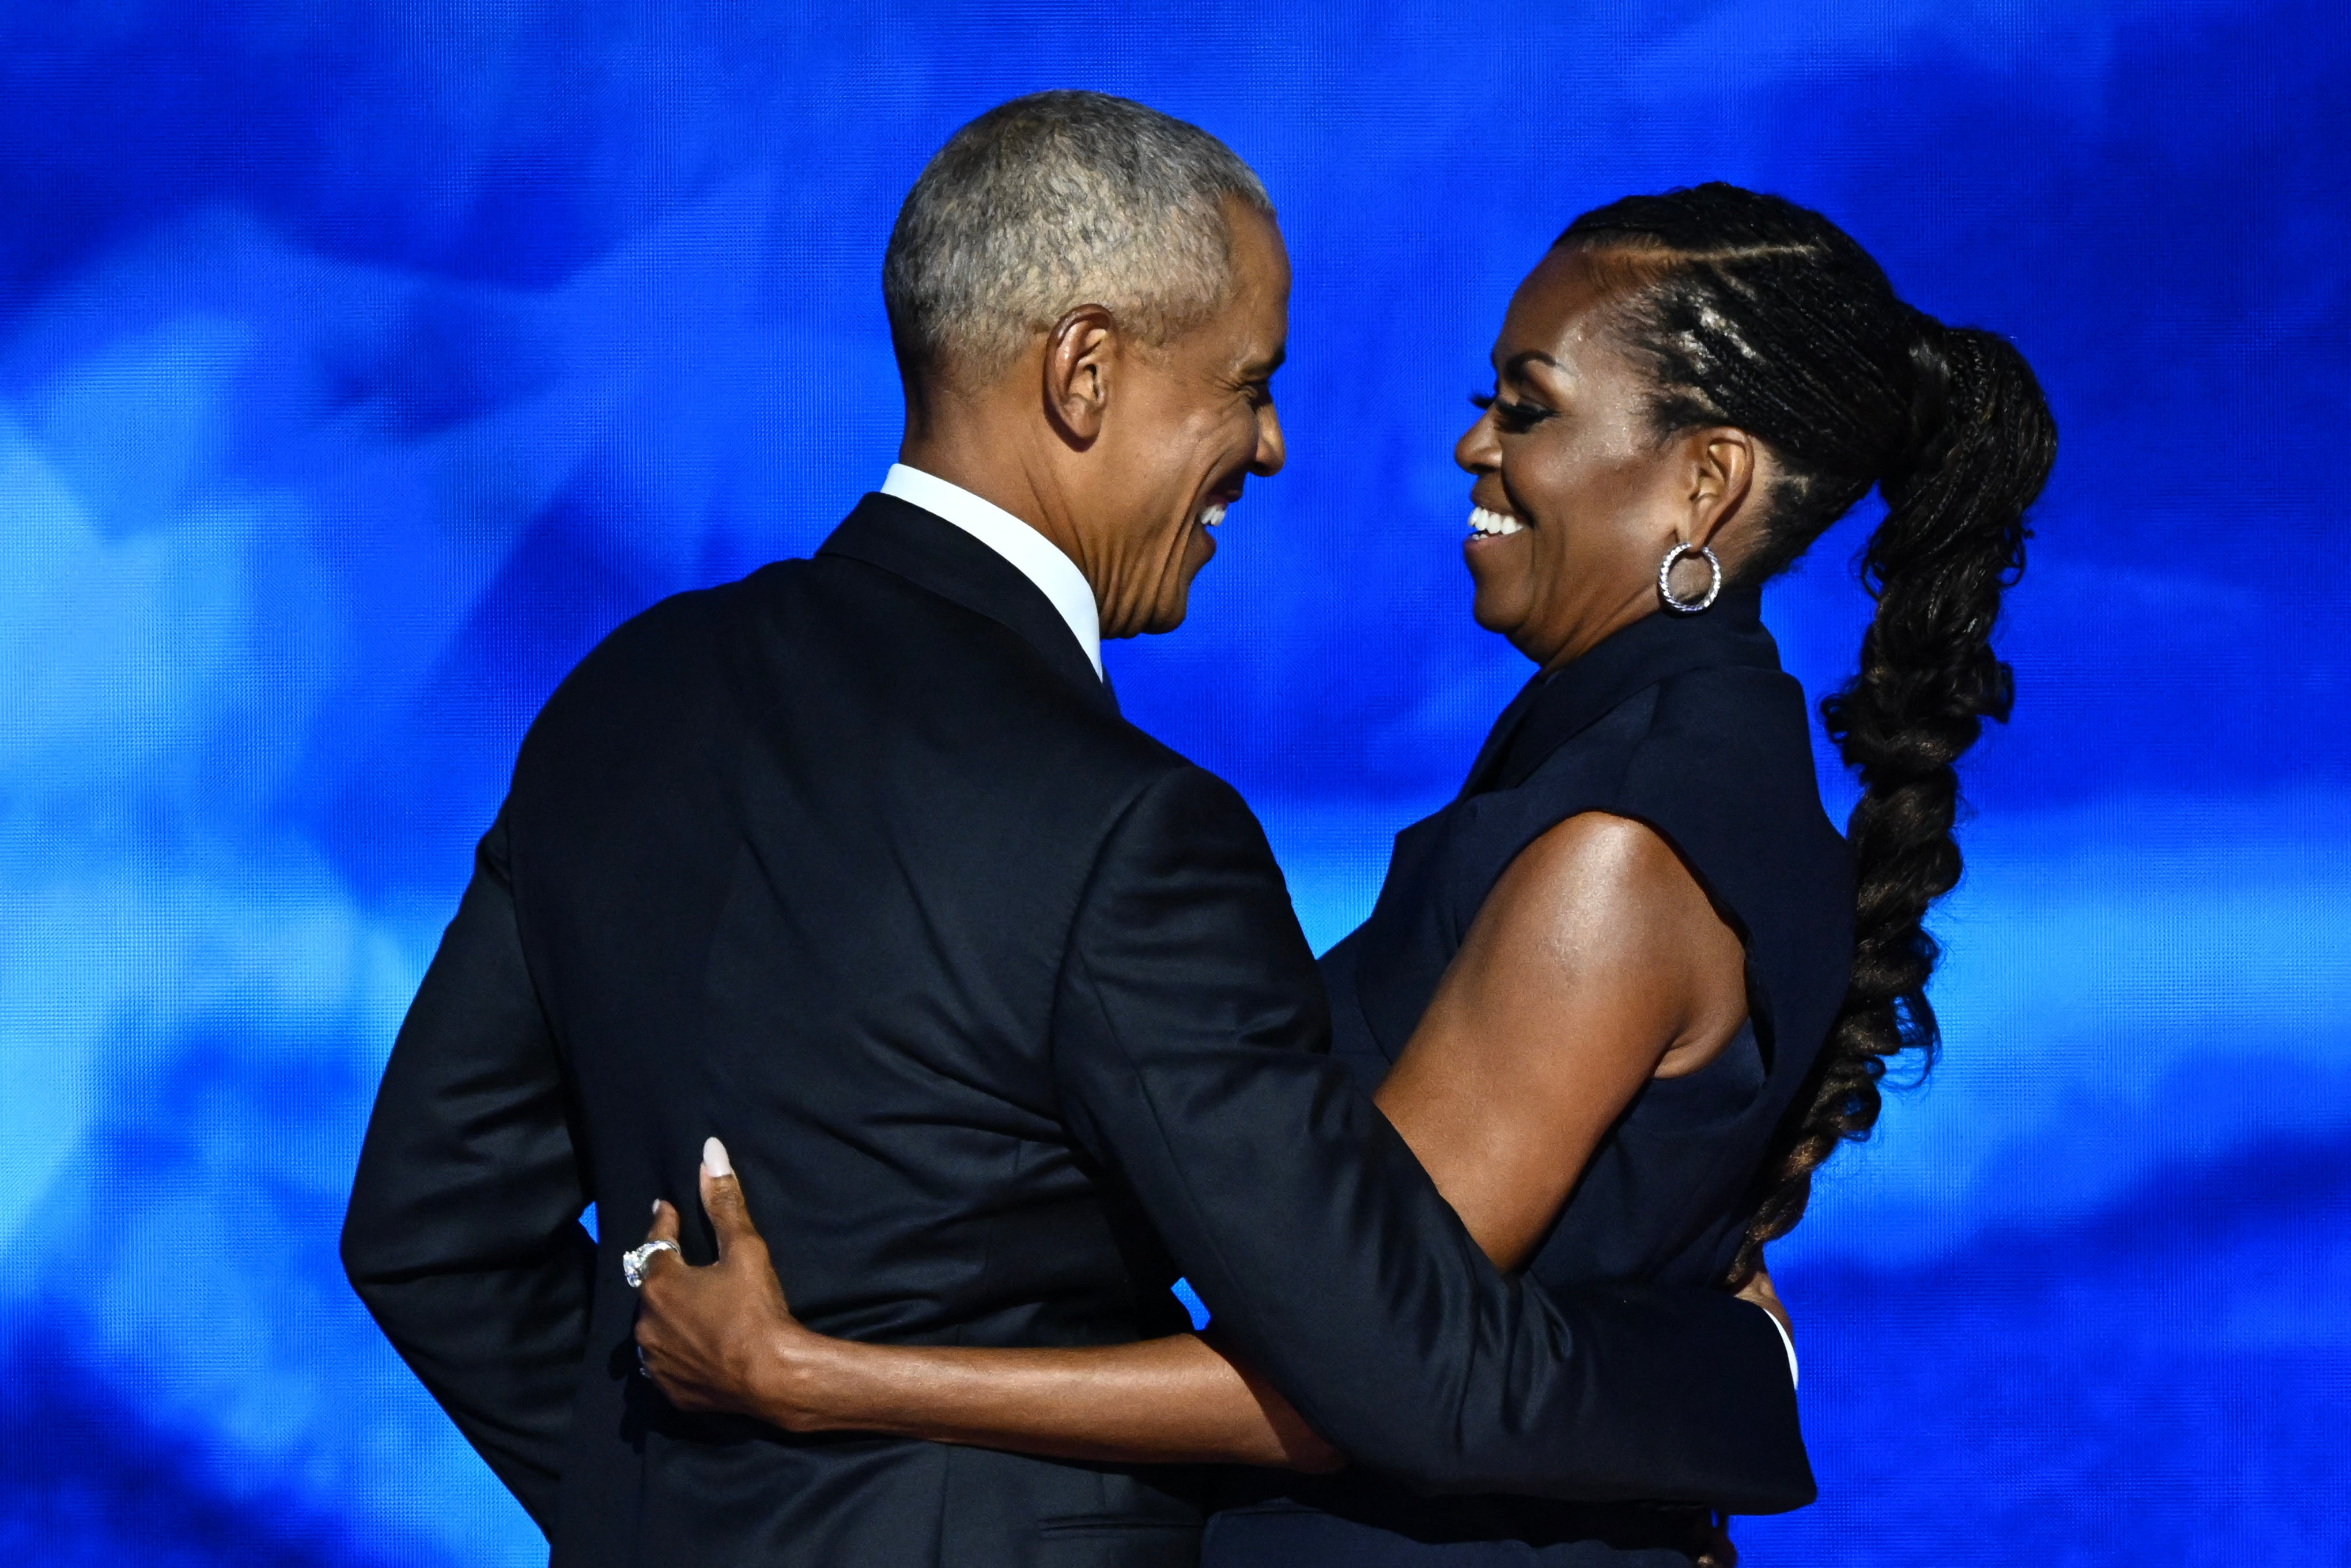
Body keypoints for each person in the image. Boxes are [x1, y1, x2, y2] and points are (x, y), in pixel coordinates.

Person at [339, 98, 1811, 1568]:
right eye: (1248, 383)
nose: (1272, 446)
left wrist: (685, 1506)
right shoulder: (1134, 832)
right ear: (1085, 374)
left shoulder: (623, 698)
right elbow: (1404, 1366)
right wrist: (1736, 1379)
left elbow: (427, 1230)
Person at [626, 181, 2058, 1566]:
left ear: (1706, 480)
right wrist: (1713, 1367)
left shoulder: (1618, 849)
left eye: (1527, 406)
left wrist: (814, 1375)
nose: (1471, 448)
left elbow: (1352, 1379)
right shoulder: (1630, 782)